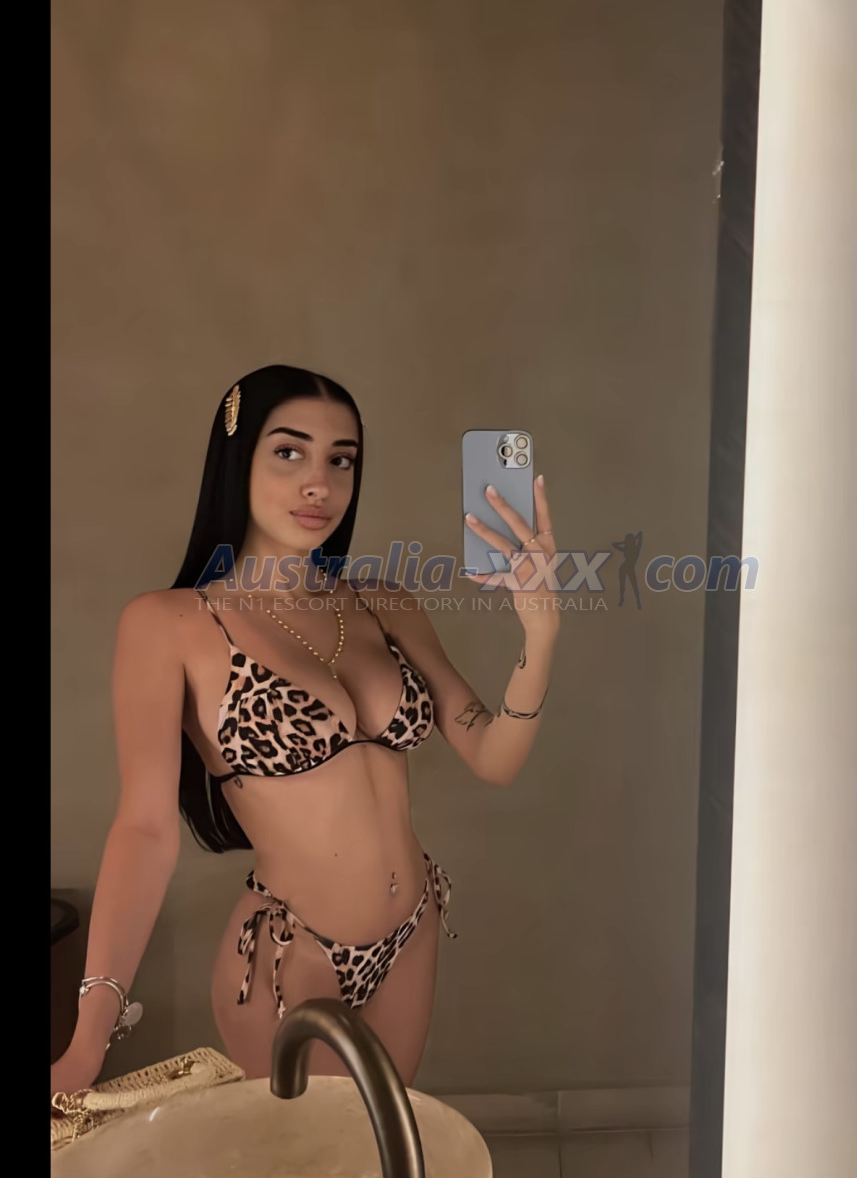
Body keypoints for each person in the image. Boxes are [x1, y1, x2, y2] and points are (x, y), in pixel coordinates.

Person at [50, 364, 560, 1095]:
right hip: (294, 953)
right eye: (289, 452)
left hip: (412, 929)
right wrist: (87, 1040)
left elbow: (493, 755)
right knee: (324, 1149)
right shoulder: (171, 624)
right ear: (238, 460)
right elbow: (146, 830)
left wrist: (539, 636)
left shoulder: (384, 603)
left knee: (387, 1143)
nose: (319, 483)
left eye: (340, 460)